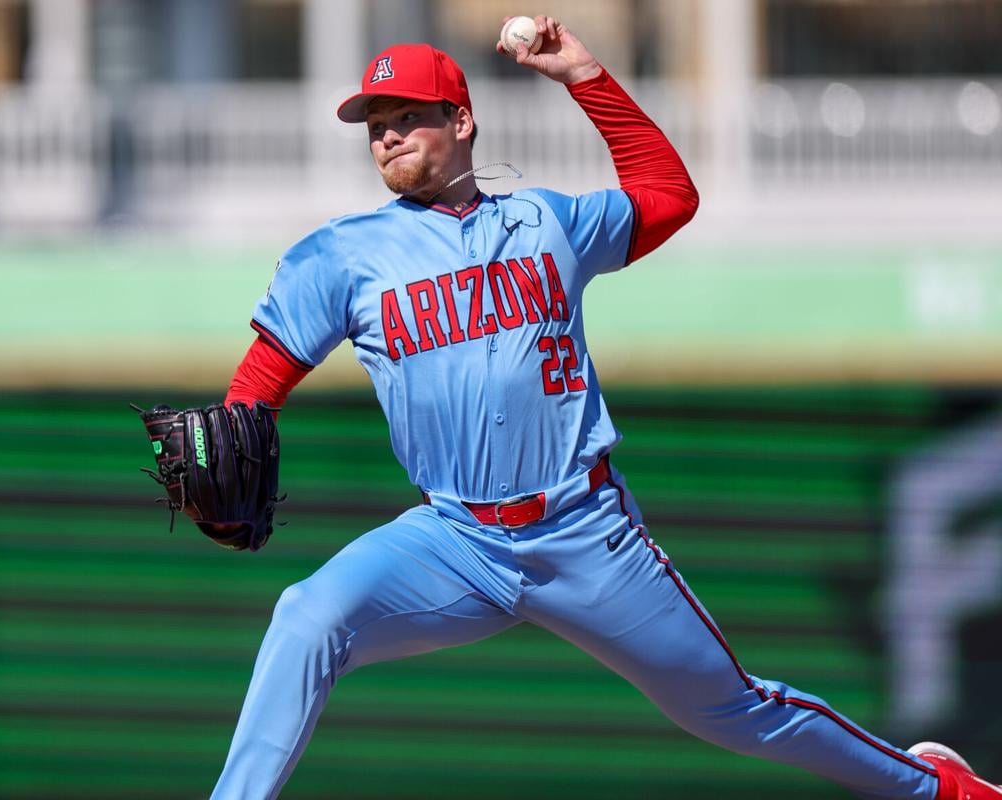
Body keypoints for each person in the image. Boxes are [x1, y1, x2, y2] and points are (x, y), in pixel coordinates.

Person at [212, 16, 1000, 800]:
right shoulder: (343, 256)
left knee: (735, 709)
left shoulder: (546, 222)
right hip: (452, 538)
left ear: (461, 119)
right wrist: (229, 452)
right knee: (306, 616)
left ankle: (938, 790)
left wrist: (584, 76)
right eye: (376, 126)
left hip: (584, 532)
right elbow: (261, 382)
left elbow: (668, 195)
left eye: (407, 116)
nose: (386, 137)